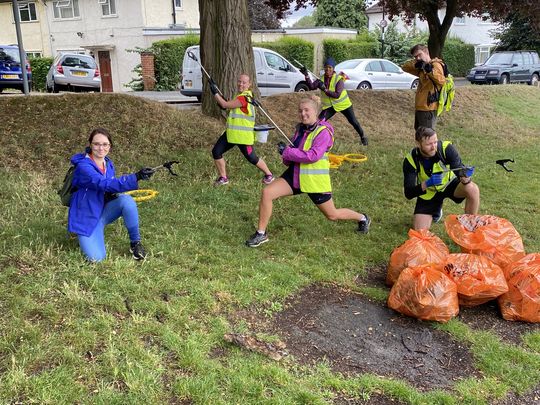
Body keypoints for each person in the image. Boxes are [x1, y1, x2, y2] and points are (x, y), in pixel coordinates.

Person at [245, 95, 371, 247]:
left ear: (316, 112)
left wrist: (288, 153)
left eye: (306, 110)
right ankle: (261, 233)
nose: (303, 113)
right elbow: (292, 154)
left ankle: (362, 218)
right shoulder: (300, 129)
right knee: (267, 193)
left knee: (332, 215)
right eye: (300, 111)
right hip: (296, 175)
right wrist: (285, 154)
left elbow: (313, 156)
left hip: (314, 181)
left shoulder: (323, 132)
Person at [68, 128, 155, 262]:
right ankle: (83, 232)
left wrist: (111, 195)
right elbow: (103, 183)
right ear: (90, 144)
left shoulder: (108, 163)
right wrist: (136, 177)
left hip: (102, 211)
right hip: (87, 216)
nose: (101, 148)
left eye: (105, 144)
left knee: (126, 201)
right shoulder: (83, 166)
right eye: (96, 144)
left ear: (110, 146)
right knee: (96, 258)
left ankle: (135, 243)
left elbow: (108, 187)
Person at [403, 126, 480, 230]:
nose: (433, 147)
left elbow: (458, 168)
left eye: (435, 142)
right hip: (428, 193)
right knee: (419, 232)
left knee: (472, 189)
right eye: (429, 144)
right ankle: (436, 212)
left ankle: (470, 226)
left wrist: (465, 177)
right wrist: (427, 183)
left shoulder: (446, 148)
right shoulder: (410, 160)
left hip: (449, 185)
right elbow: (408, 193)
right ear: (418, 144)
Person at [210, 73, 274, 186]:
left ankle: (269, 175)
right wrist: (223, 101)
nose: (241, 84)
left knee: (252, 158)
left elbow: (225, 105)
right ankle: (223, 178)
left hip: (243, 136)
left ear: (249, 84)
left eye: (244, 82)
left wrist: (215, 93)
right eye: (239, 81)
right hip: (232, 134)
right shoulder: (240, 96)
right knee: (216, 151)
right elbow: (229, 107)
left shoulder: (244, 98)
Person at [301, 58, 368, 146]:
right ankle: (312, 140)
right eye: (326, 67)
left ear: (333, 69)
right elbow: (312, 86)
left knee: (353, 121)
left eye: (330, 67)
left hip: (344, 104)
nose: (328, 70)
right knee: (319, 122)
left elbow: (337, 95)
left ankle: (363, 137)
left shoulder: (339, 79)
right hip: (330, 107)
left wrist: (324, 89)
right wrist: (306, 75)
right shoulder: (321, 79)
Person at [402, 44, 446, 130]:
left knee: (427, 135)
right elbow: (405, 67)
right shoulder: (421, 67)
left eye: (419, 55)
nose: (417, 58)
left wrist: (430, 71)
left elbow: (442, 81)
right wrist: (416, 64)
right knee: (419, 134)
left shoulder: (436, 65)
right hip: (420, 106)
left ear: (426, 52)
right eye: (415, 57)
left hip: (428, 108)